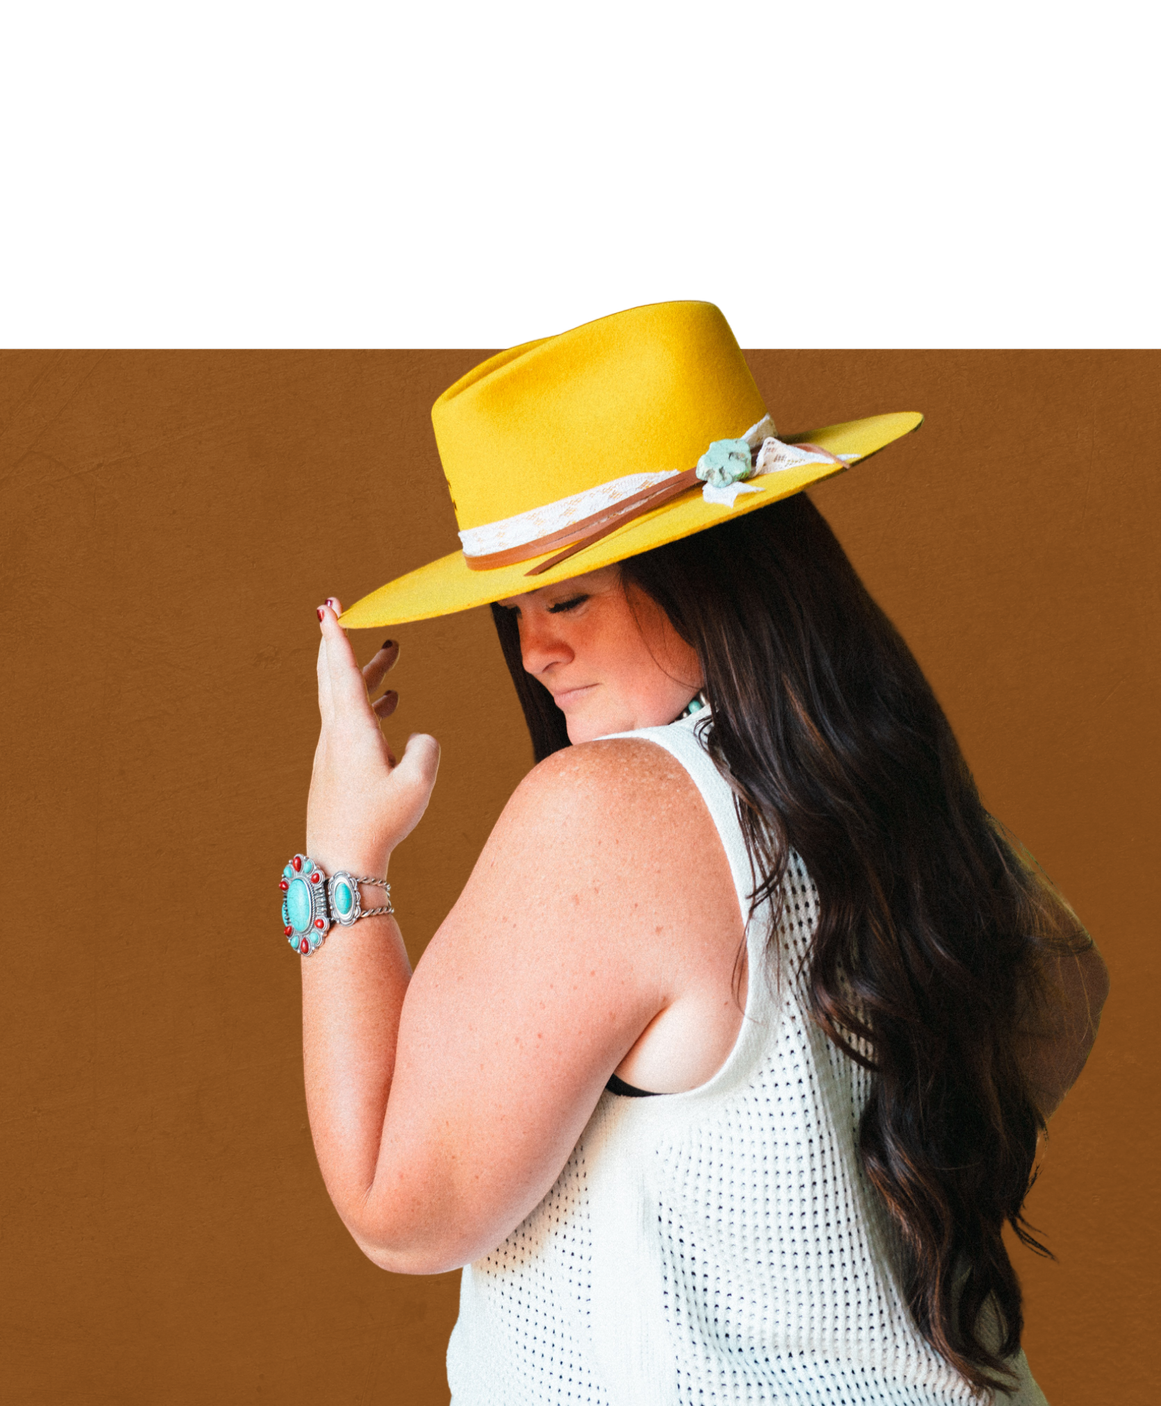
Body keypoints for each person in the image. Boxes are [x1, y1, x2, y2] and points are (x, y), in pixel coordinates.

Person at [289, 301, 1108, 1403]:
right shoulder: (882, 788)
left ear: (714, 570)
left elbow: (400, 1211)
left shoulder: (606, 808)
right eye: (512, 610)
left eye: (569, 594)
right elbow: (1066, 990)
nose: (533, 651)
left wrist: (338, 854)